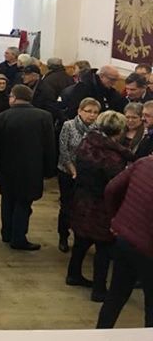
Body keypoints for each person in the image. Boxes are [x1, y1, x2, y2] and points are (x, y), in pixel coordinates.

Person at [67, 111, 132, 303]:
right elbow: (114, 185)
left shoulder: (87, 142)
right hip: (101, 205)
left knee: (81, 241)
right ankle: (99, 289)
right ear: (119, 131)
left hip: (82, 199)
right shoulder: (113, 156)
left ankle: (73, 274)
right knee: (104, 247)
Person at [0, 85, 56, 250]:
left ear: (14, 97)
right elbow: (49, 146)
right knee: (24, 203)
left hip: (6, 168)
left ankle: (7, 233)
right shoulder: (44, 117)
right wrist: (50, 170)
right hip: (32, 168)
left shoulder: (1, 117)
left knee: (7, 200)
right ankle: (19, 238)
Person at [96, 153, 153, 328]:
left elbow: (111, 189)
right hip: (148, 249)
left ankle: (99, 336)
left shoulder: (143, 162)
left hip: (125, 239)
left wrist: (116, 218)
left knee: (116, 295)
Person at [57, 98, 101, 253]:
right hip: (67, 171)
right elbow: (63, 150)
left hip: (87, 174)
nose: (92, 115)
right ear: (80, 111)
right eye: (88, 111)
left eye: (95, 112)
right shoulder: (68, 125)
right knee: (66, 205)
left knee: (82, 207)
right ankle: (63, 236)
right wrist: (73, 170)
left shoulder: (98, 129)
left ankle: (80, 237)